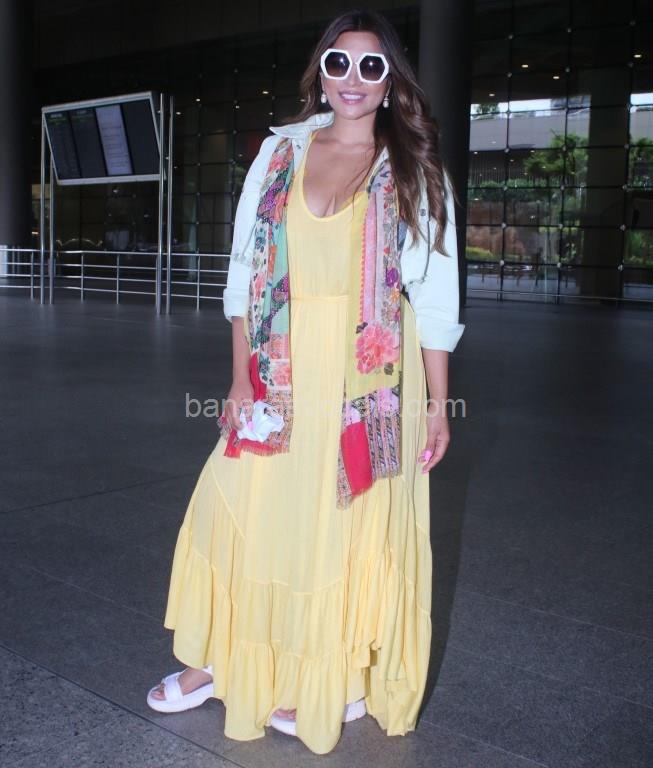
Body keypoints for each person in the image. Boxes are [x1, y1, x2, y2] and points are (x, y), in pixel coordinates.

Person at [146, 7, 465, 756]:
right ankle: (216, 661)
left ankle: (327, 674)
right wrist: (238, 378)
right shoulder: (279, 153)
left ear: (390, 83)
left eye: (371, 65)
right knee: (235, 502)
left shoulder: (414, 169)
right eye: (337, 62)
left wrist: (438, 405)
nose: (353, 78)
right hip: (279, 367)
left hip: (369, 378)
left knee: (339, 524)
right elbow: (243, 274)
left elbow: (435, 296)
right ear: (320, 75)